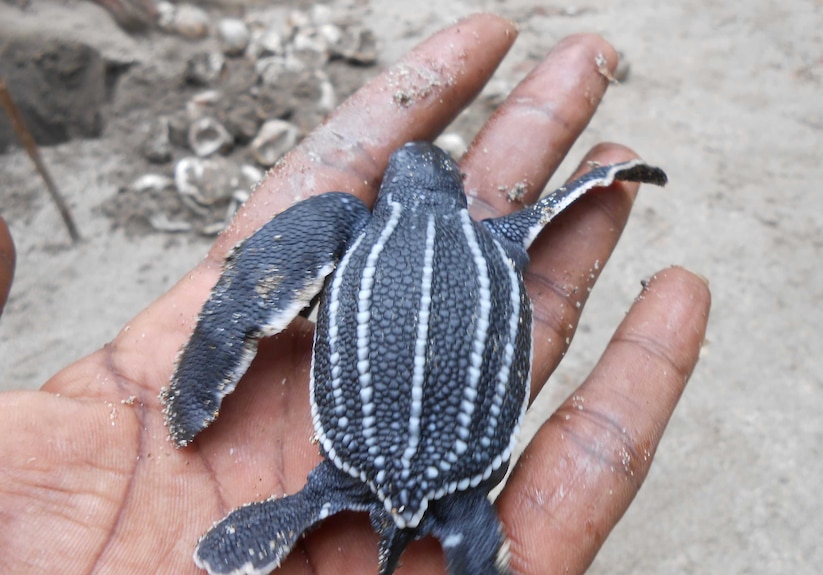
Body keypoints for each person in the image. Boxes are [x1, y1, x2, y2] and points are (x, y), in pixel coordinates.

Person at [0, 14, 710, 575]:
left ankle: (320, 501)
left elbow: (248, 296)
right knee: (459, 510)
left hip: (359, 446)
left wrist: (189, 399)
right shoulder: (495, 237)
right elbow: (562, 201)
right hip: (465, 452)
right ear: (455, 194)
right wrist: (605, 179)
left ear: (388, 190)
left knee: (346, 467)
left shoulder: (347, 224)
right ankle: (463, 531)